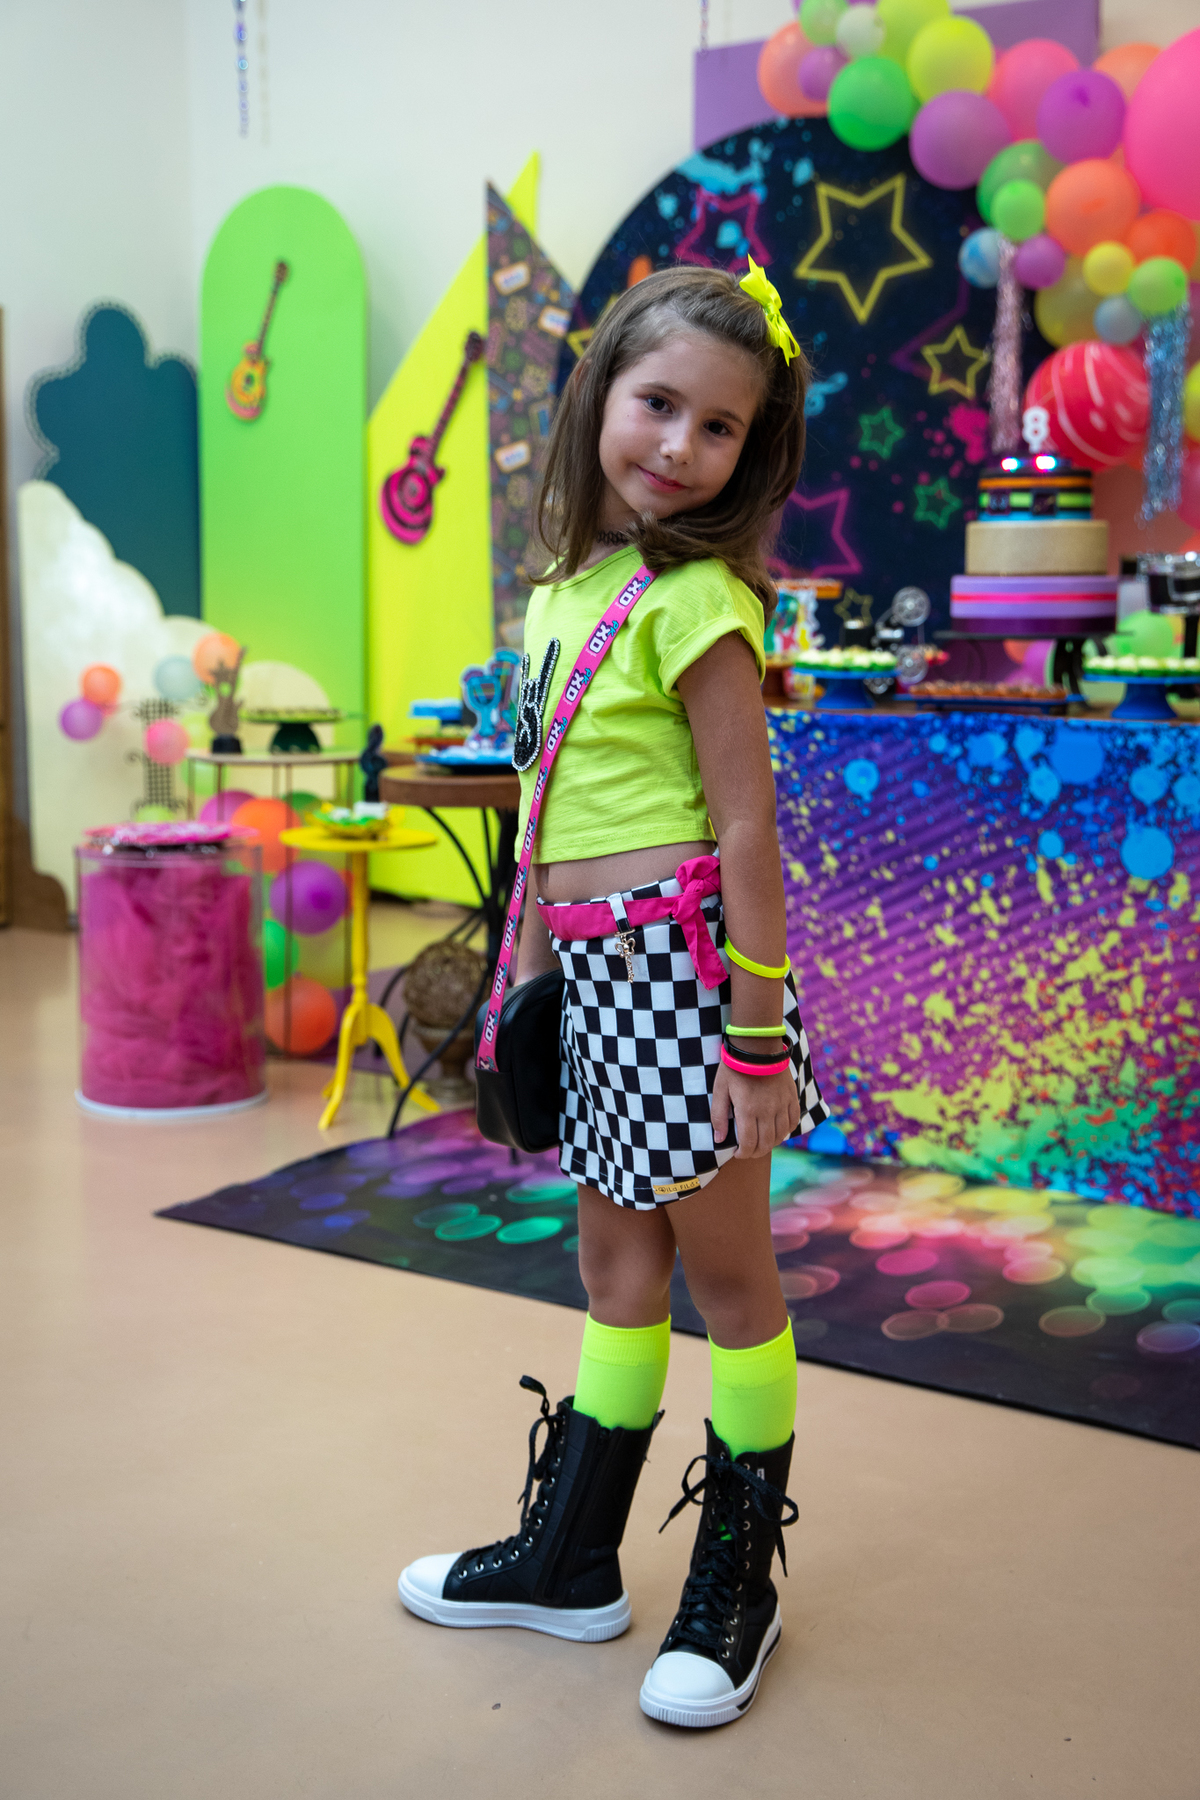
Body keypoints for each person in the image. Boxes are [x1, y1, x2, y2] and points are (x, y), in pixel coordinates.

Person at [399, 263, 828, 1730]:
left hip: (690, 985)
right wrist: (532, 983)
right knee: (613, 1271)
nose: (678, 445)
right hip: (587, 979)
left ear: (748, 453)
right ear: (600, 397)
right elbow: (542, 803)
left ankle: (736, 1587)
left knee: (731, 1281)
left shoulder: (702, 602)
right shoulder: (559, 597)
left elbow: (748, 832)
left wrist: (755, 1038)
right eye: (658, 404)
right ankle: (574, 1560)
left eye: (719, 426)